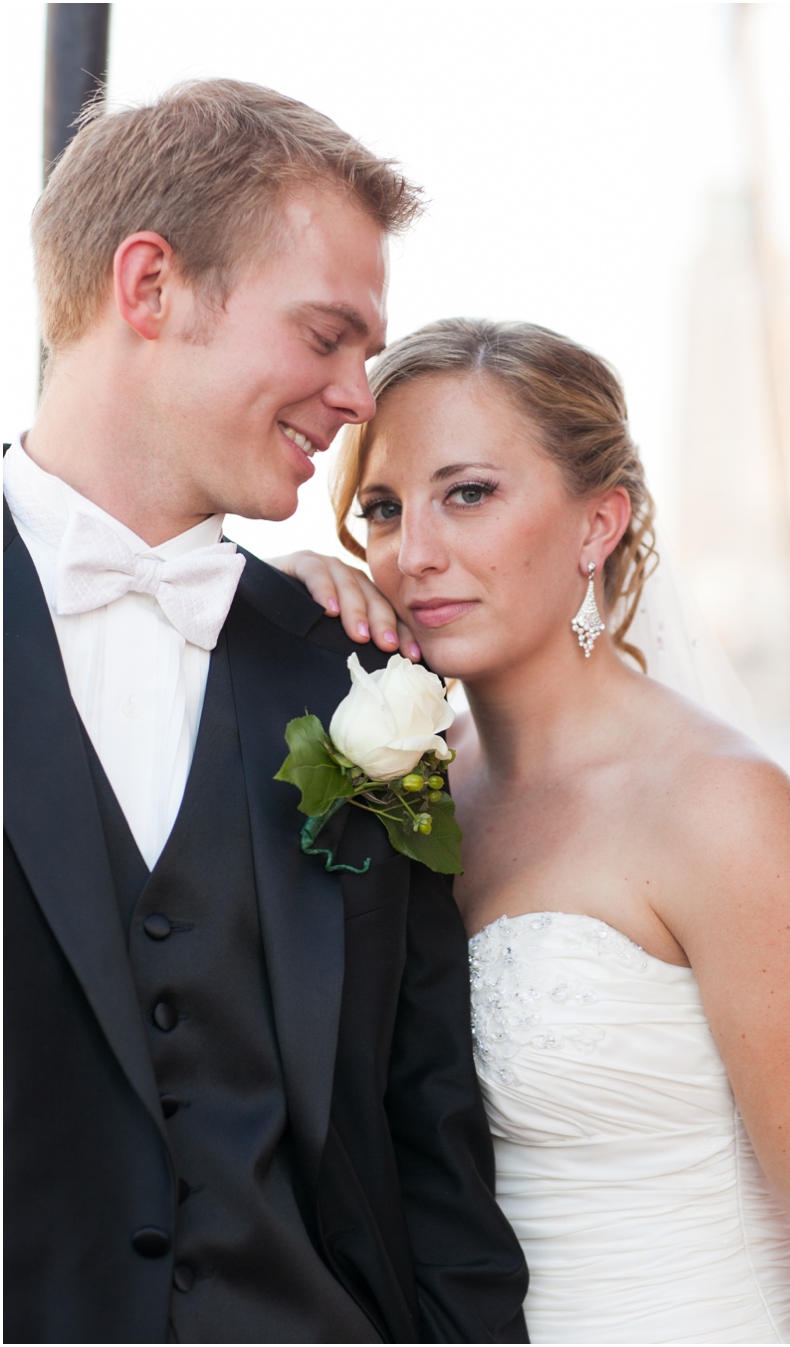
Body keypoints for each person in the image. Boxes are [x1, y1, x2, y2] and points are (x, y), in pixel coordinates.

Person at [4, 87, 528, 1345]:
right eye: (326, 335)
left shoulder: (355, 674)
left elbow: (430, 1135)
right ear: (151, 288)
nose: (359, 397)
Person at [281, 317, 790, 1345]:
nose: (414, 553)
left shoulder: (718, 807)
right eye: (384, 509)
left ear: (597, 525)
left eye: (467, 493)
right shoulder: (413, 788)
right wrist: (283, 623)